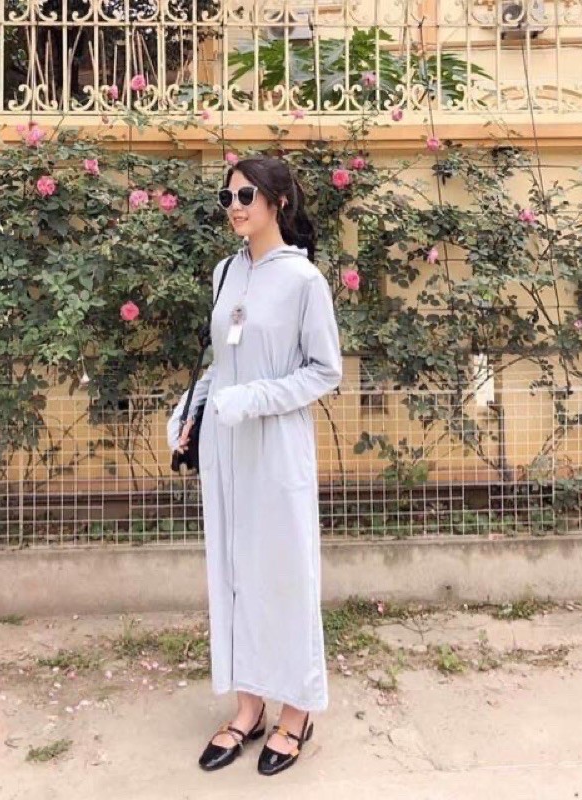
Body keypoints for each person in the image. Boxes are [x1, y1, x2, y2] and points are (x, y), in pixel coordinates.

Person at [166, 156, 343, 777]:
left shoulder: (304, 281)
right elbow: (223, 363)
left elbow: (324, 372)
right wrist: (193, 406)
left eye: (246, 195)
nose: (235, 206)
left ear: (277, 203)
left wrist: (254, 398)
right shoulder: (225, 273)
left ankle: (296, 711)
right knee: (235, 572)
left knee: (286, 575)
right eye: (227, 197)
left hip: (276, 444)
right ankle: (248, 707)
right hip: (226, 446)